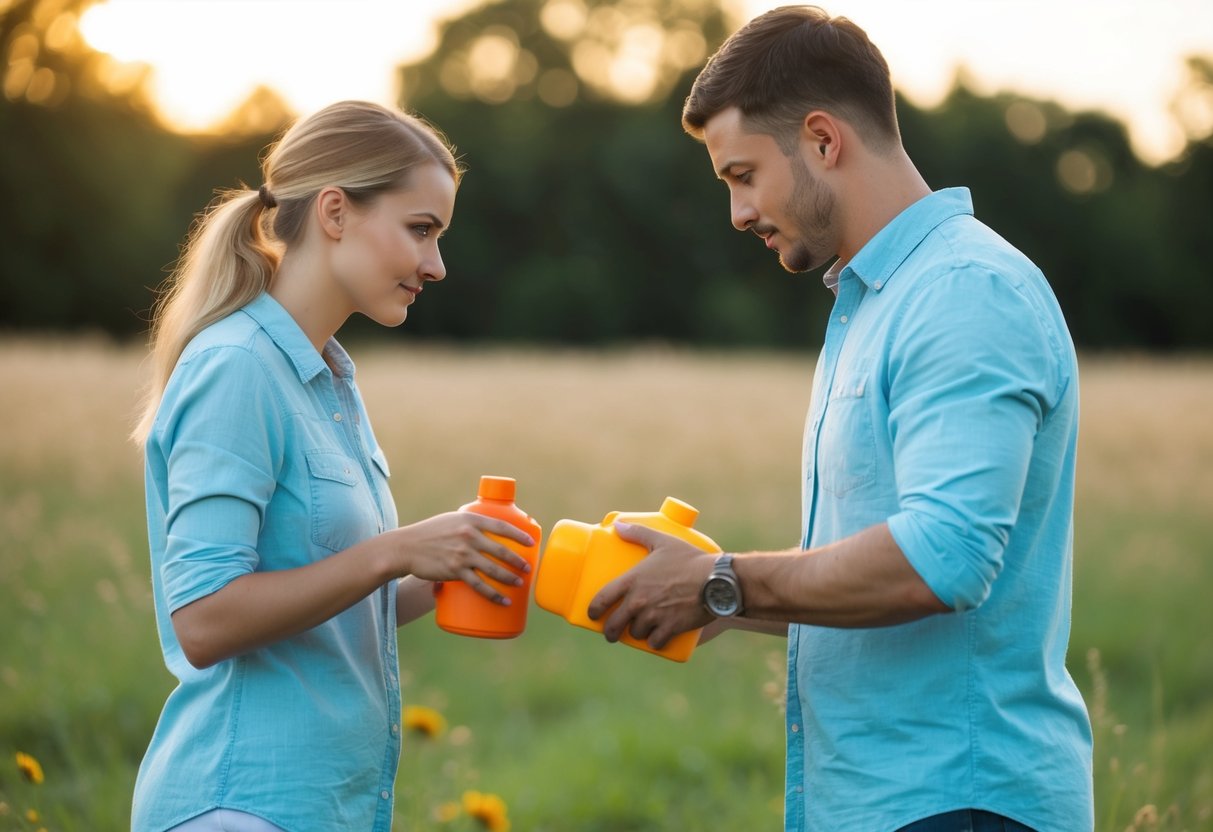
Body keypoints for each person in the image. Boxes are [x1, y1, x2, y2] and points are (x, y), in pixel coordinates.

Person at [587, 6, 1093, 831]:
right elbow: (877, 568)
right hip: (883, 802)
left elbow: (943, 558)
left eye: (742, 175)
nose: (737, 213)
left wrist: (722, 581)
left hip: (957, 801)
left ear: (822, 140)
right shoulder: (877, 303)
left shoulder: (964, 292)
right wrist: (712, 597)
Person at [129, 100, 534, 832]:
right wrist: (394, 551)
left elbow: (335, 604)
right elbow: (205, 619)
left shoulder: (329, 379)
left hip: (324, 809)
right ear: (336, 212)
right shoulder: (237, 368)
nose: (436, 265)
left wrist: (447, 563)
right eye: (421, 231)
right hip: (239, 804)